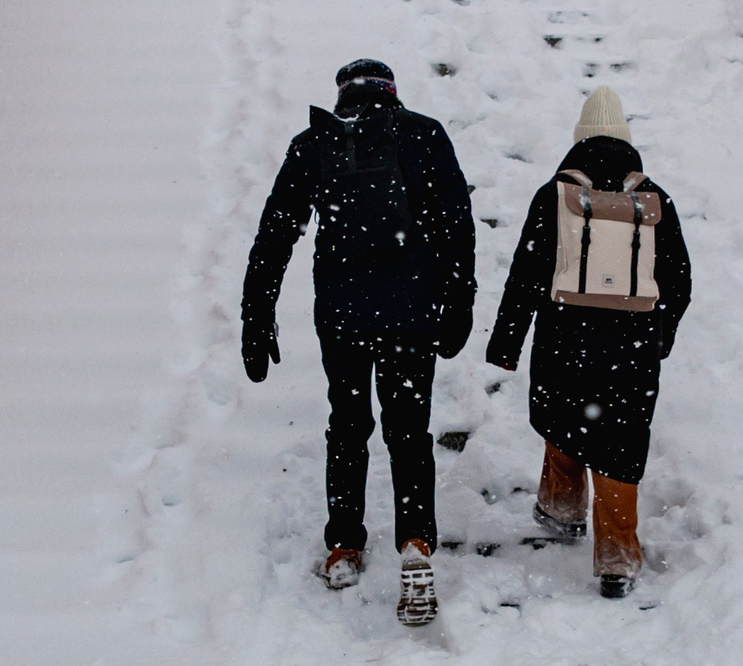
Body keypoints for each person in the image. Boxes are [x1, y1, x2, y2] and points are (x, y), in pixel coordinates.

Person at [242, 58, 477, 627]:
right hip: (411, 314)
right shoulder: (423, 134)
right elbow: (455, 223)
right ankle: (416, 541)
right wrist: (458, 301)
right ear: (392, 93)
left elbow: (276, 231)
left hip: (344, 315)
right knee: (408, 430)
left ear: (343, 94)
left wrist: (257, 313)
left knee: (348, 423)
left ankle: (344, 547)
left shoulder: (314, 143)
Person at [486, 85, 691, 598]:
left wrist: (506, 344)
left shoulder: (556, 195)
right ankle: (618, 558)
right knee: (620, 442)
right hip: (631, 348)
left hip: (565, 340)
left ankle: (561, 507)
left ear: (578, 140)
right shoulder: (654, 199)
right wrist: (657, 338)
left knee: (564, 416)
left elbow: (526, 273)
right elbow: (680, 280)